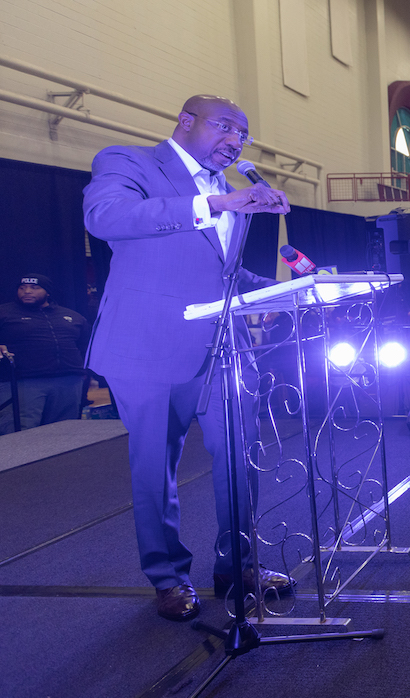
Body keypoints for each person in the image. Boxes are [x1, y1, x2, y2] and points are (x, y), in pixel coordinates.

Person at [82, 94, 293, 621]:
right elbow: (106, 217)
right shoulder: (129, 162)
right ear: (186, 122)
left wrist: (292, 290)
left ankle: (238, 566)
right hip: (147, 347)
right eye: (226, 127)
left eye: (242, 135)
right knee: (155, 469)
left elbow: (222, 274)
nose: (235, 141)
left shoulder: (228, 190)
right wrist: (216, 205)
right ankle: (168, 577)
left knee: (239, 462)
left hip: (224, 349)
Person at [0, 273, 90, 434]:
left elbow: (86, 345)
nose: (27, 291)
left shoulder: (71, 316)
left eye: (34, 288)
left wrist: (83, 370)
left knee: (65, 432)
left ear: (47, 292)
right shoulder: (5, 312)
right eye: (22, 288)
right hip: (24, 382)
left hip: (69, 381)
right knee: (20, 434)